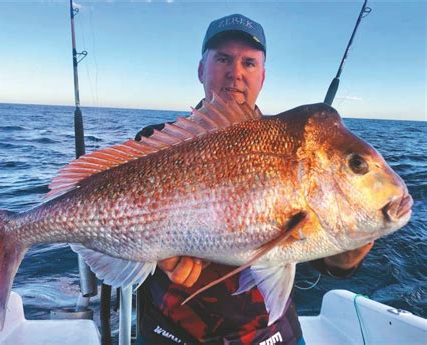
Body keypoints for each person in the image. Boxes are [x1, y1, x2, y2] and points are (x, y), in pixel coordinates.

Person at [135, 13, 374, 345]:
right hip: (171, 331)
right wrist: (152, 251)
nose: (235, 72)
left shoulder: (294, 149)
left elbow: (328, 259)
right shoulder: (155, 142)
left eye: (249, 62)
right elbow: (121, 224)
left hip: (268, 333)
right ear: (201, 69)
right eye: (223, 59)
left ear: (262, 76)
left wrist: (351, 245)